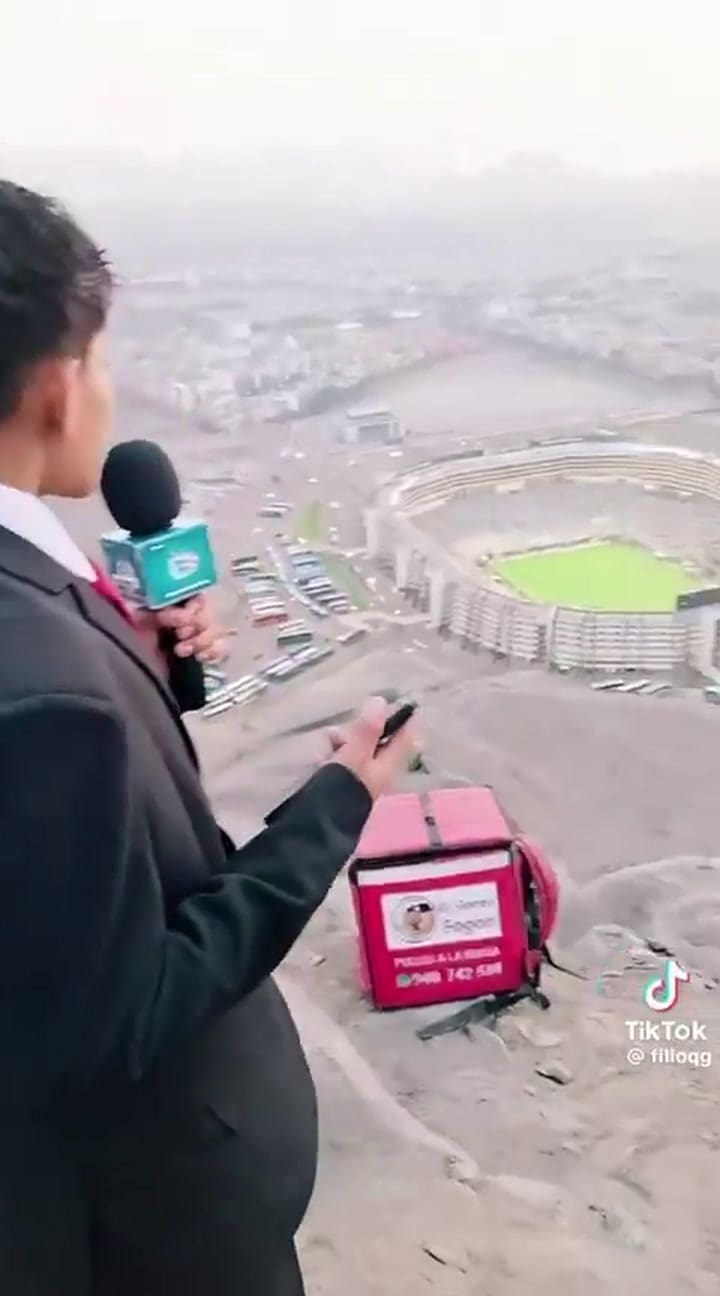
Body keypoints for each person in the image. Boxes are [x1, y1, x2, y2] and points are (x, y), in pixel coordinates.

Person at [0, 180, 416, 1296]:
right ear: (52, 382)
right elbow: (125, 1012)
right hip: (157, 1229)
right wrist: (334, 805)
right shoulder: (41, 688)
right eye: (99, 358)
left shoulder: (36, 605)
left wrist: (151, 666)